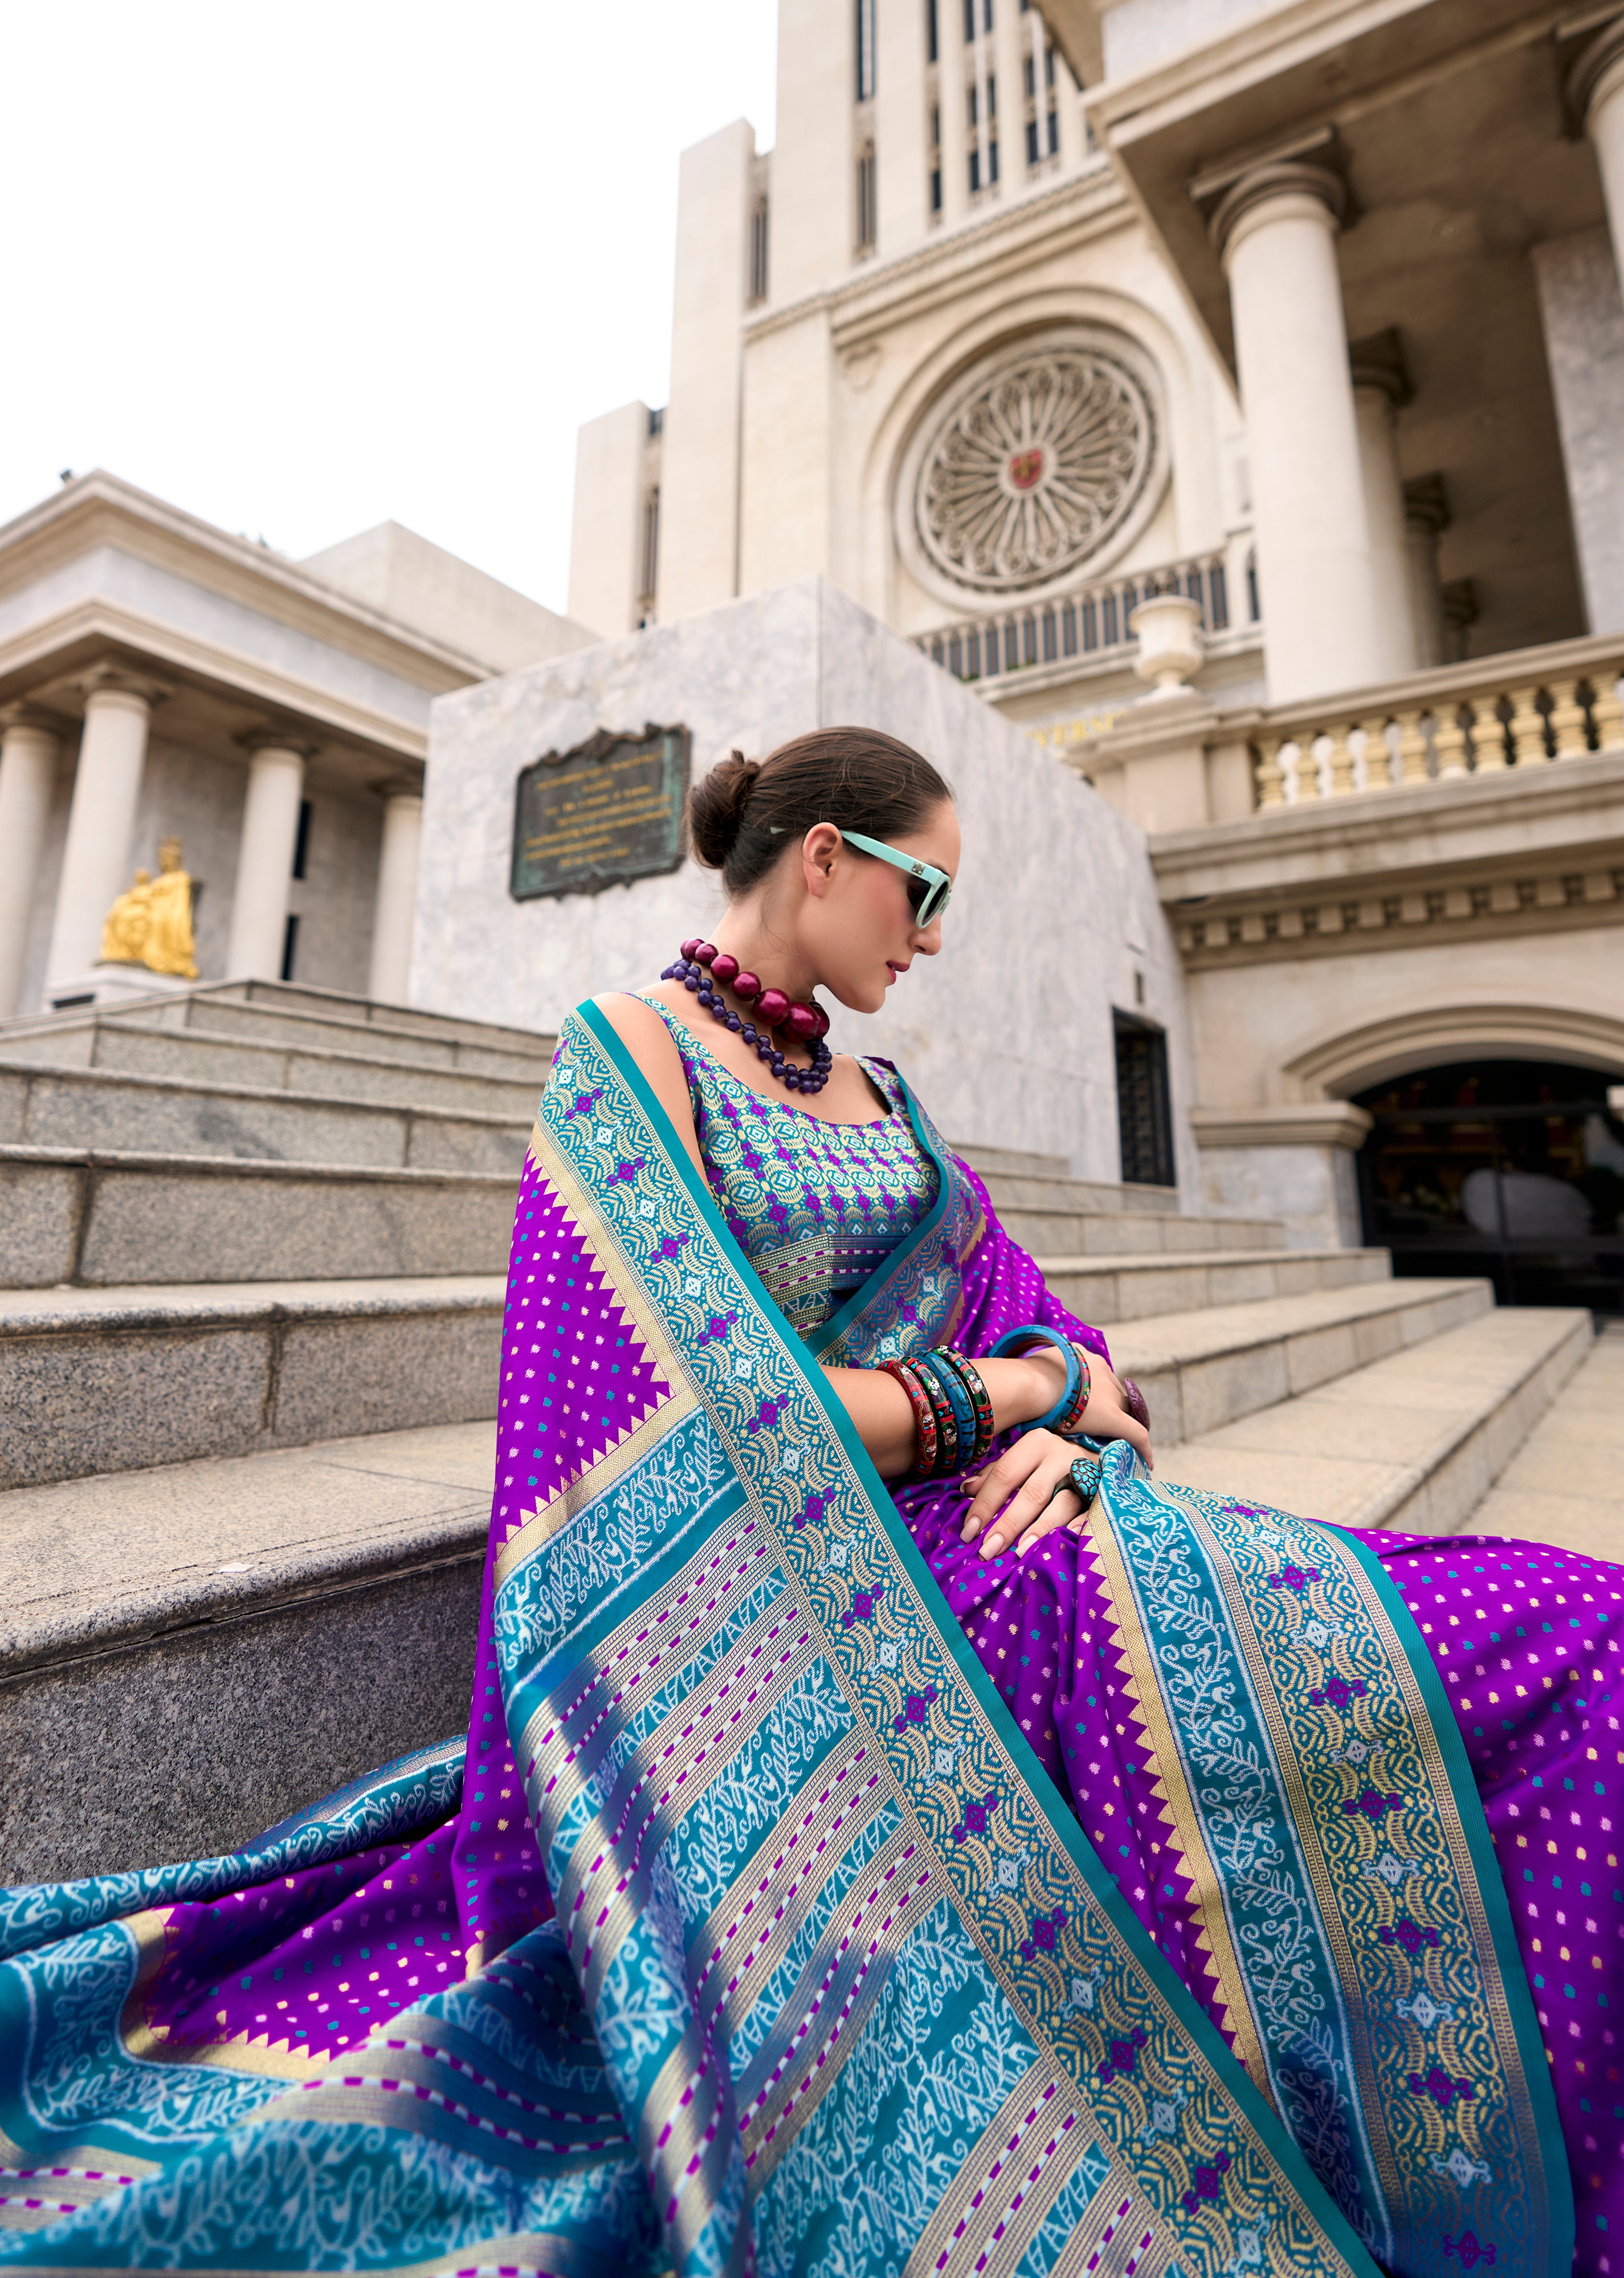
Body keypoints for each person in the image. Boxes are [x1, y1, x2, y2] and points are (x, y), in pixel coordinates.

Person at [0, 728, 1614, 2278]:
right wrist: (1006, 1397)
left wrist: (1071, 1420)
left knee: (1563, 1625)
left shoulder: (893, 1104)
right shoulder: (629, 1052)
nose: (933, 936)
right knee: (1554, 1652)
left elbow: (1086, 1361)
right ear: (827, 857)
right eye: (925, 894)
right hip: (801, 1606)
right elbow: (693, 1411)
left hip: (1022, 1537)